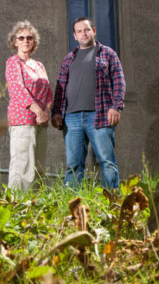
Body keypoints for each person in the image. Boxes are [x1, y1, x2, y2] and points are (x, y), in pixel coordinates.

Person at [51, 17, 125, 189]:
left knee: (107, 162)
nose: (83, 34)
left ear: (94, 31)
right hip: (71, 118)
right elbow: (60, 87)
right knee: (73, 165)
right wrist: (56, 112)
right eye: (79, 31)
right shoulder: (69, 58)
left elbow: (119, 82)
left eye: (86, 30)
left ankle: (111, 204)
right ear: (74, 36)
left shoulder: (107, 54)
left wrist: (116, 106)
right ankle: (70, 205)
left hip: (99, 115)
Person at [5, 20, 52, 191]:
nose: (25, 40)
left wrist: (46, 111)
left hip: (41, 121)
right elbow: (18, 89)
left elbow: (48, 91)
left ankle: (35, 205)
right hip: (23, 120)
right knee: (22, 166)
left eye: (29, 38)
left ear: (34, 42)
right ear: (15, 41)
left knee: (38, 167)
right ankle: (16, 205)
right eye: (21, 37)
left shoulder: (39, 65)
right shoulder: (13, 62)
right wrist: (38, 111)